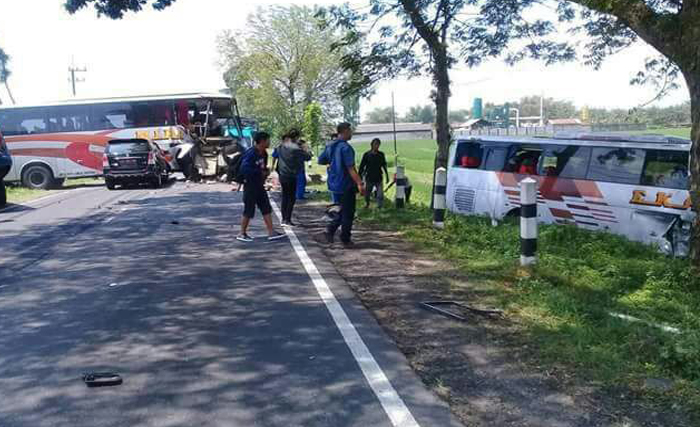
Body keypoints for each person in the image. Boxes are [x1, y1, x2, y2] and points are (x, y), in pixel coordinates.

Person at [318, 123, 365, 247]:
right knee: (348, 213)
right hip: (345, 184)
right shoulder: (346, 148)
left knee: (340, 209)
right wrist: (360, 183)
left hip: (333, 184)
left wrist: (332, 162)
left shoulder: (330, 145)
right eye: (350, 130)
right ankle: (344, 238)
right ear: (344, 131)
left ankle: (330, 231)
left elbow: (321, 160)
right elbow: (351, 168)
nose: (351, 133)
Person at [237, 131, 286, 242]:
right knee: (249, 209)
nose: (269, 142)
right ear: (263, 141)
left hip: (259, 185)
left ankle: (271, 232)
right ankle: (242, 233)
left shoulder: (263, 153)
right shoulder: (251, 153)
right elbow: (244, 169)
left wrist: (265, 172)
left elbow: (262, 167)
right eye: (268, 140)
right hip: (250, 185)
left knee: (266, 207)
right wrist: (259, 172)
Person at [276, 130, 312, 226]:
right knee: (291, 198)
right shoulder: (296, 149)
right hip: (291, 175)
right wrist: (305, 149)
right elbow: (308, 157)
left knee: (285, 196)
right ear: (296, 137)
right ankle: (288, 219)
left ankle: (284, 219)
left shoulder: (280, 146)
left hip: (282, 174)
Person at [358, 138, 389, 208]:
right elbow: (362, 166)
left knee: (380, 194)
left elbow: (384, 165)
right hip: (369, 178)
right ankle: (367, 204)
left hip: (379, 178)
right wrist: (359, 177)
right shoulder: (366, 154)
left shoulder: (381, 154)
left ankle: (379, 207)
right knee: (367, 193)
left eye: (378, 144)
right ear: (371, 145)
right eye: (375, 144)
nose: (377, 146)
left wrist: (387, 176)